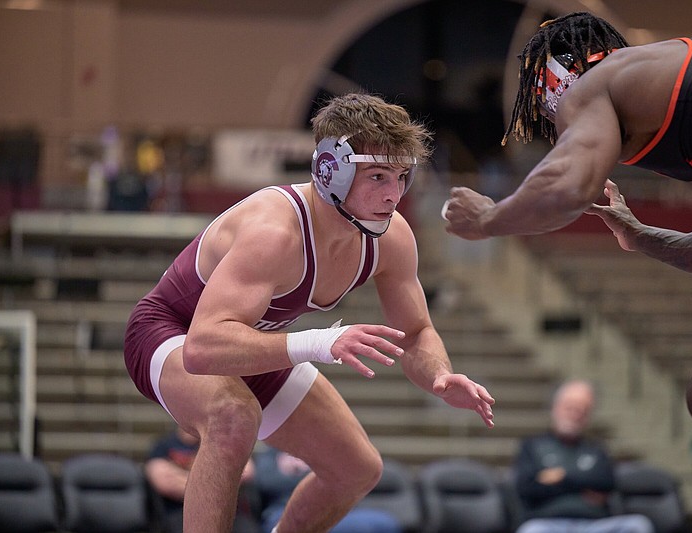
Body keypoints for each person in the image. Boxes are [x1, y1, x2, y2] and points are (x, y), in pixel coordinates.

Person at [442, 11, 692, 530]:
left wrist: (486, 219)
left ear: (555, 82)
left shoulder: (593, 86)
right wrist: (640, 236)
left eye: (545, 111)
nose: (558, 128)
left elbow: (564, 189)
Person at [124, 92, 495, 533]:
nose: (393, 195)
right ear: (329, 170)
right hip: (171, 333)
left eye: (401, 177)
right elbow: (202, 350)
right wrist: (319, 342)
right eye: (377, 176)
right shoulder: (275, 230)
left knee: (355, 469)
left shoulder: (391, 238)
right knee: (234, 418)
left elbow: (416, 332)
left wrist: (438, 375)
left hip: (250, 342)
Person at [512, 379, 654, 533]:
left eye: (582, 410)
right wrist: (583, 482)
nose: (575, 414)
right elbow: (527, 488)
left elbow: (606, 482)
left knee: (638, 525)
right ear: (555, 408)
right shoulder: (532, 446)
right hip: (548, 523)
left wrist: (560, 477)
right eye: (569, 408)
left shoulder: (597, 449)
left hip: (595, 525)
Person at [254, 445, 402, 533]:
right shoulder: (273, 451)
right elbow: (266, 481)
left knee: (383, 522)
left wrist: (297, 474)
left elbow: (350, 476)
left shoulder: (330, 446)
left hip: (335, 510)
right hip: (283, 509)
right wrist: (320, 476)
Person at [145, 426, 259, 533]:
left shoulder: (223, 443)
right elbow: (164, 481)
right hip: (180, 514)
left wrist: (182, 477)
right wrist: (220, 480)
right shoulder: (164, 446)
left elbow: (246, 472)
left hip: (229, 514)